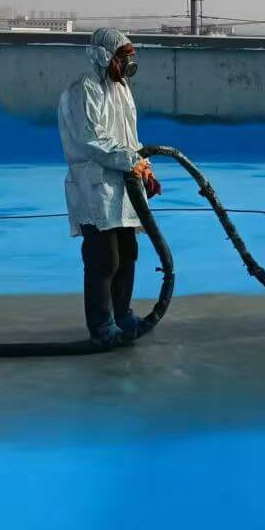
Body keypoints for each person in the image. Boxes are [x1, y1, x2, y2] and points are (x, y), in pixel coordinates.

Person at [58, 27, 161, 346]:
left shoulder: (122, 89)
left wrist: (145, 167)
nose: (129, 64)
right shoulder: (84, 88)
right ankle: (101, 325)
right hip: (96, 186)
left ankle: (122, 314)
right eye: (123, 57)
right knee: (104, 259)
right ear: (104, 56)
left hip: (123, 185)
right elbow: (92, 139)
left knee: (128, 253)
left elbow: (130, 137)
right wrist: (131, 161)